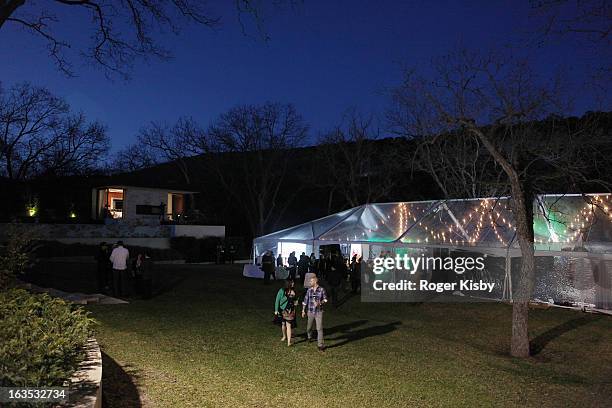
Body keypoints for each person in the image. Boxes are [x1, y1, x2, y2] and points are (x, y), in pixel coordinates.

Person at [302, 275, 328, 351]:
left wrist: (320, 303)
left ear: (315, 281)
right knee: (309, 327)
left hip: (319, 312)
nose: (310, 282)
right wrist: (303, 310)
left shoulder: (322, 289)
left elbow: (326, 299)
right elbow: (305, 301)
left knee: (319, 328)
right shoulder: (309, 290)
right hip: (310, 311)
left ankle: (320, 345)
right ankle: (309, 336)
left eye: (311, 281)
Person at [274, 279, 298, 346]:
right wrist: (276, 310)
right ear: (289, 283)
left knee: (289, 325)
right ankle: (284, 336)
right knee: (283, 324)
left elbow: (296, 299)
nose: (293, 283)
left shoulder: (293, 290)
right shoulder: (281, 291)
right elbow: (278, 300)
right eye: (292, 282)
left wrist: (295, 302)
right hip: (282, 309)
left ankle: (289, 342)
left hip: (290, 310)